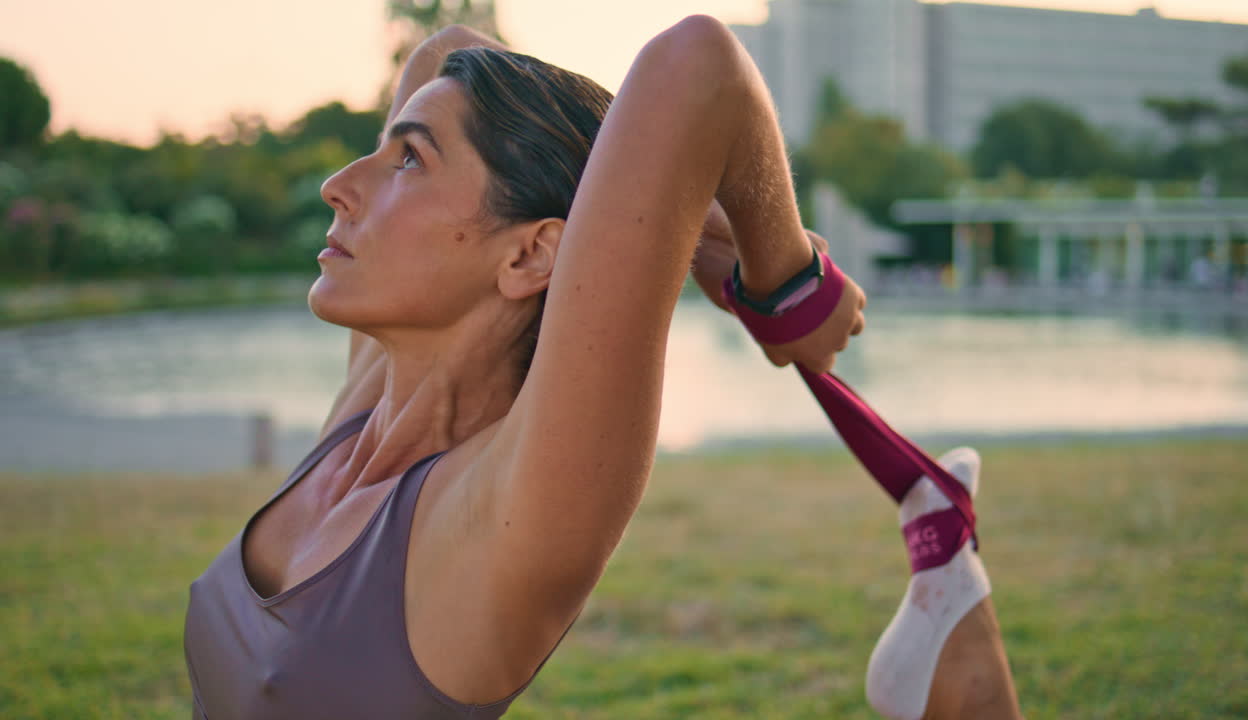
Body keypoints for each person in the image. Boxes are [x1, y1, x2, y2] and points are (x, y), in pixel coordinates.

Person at [183, 17, 1019, 719]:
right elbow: (451, 53)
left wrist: (788, 280)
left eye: (409, 159)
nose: (338, 184)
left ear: (532, 253)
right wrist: (706, 233)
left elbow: (699, 67)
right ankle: (957, 636)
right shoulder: (367, 419)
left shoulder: (503, 515)